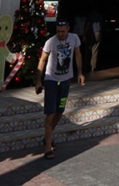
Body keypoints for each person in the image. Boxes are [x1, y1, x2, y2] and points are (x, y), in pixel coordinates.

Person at [35, 20, 84, 159]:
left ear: (68, 29)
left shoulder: (74, 38)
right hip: (51, 81)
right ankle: (47, 147)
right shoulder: (51, 42)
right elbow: (42, 60)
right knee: (51, 112)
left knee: (59, 111)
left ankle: (48, 137)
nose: (60, 34)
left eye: (63, 31)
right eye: (58, 31)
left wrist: (80, 73)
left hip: (65, 81)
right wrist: (39, 80)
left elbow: (78, 55)